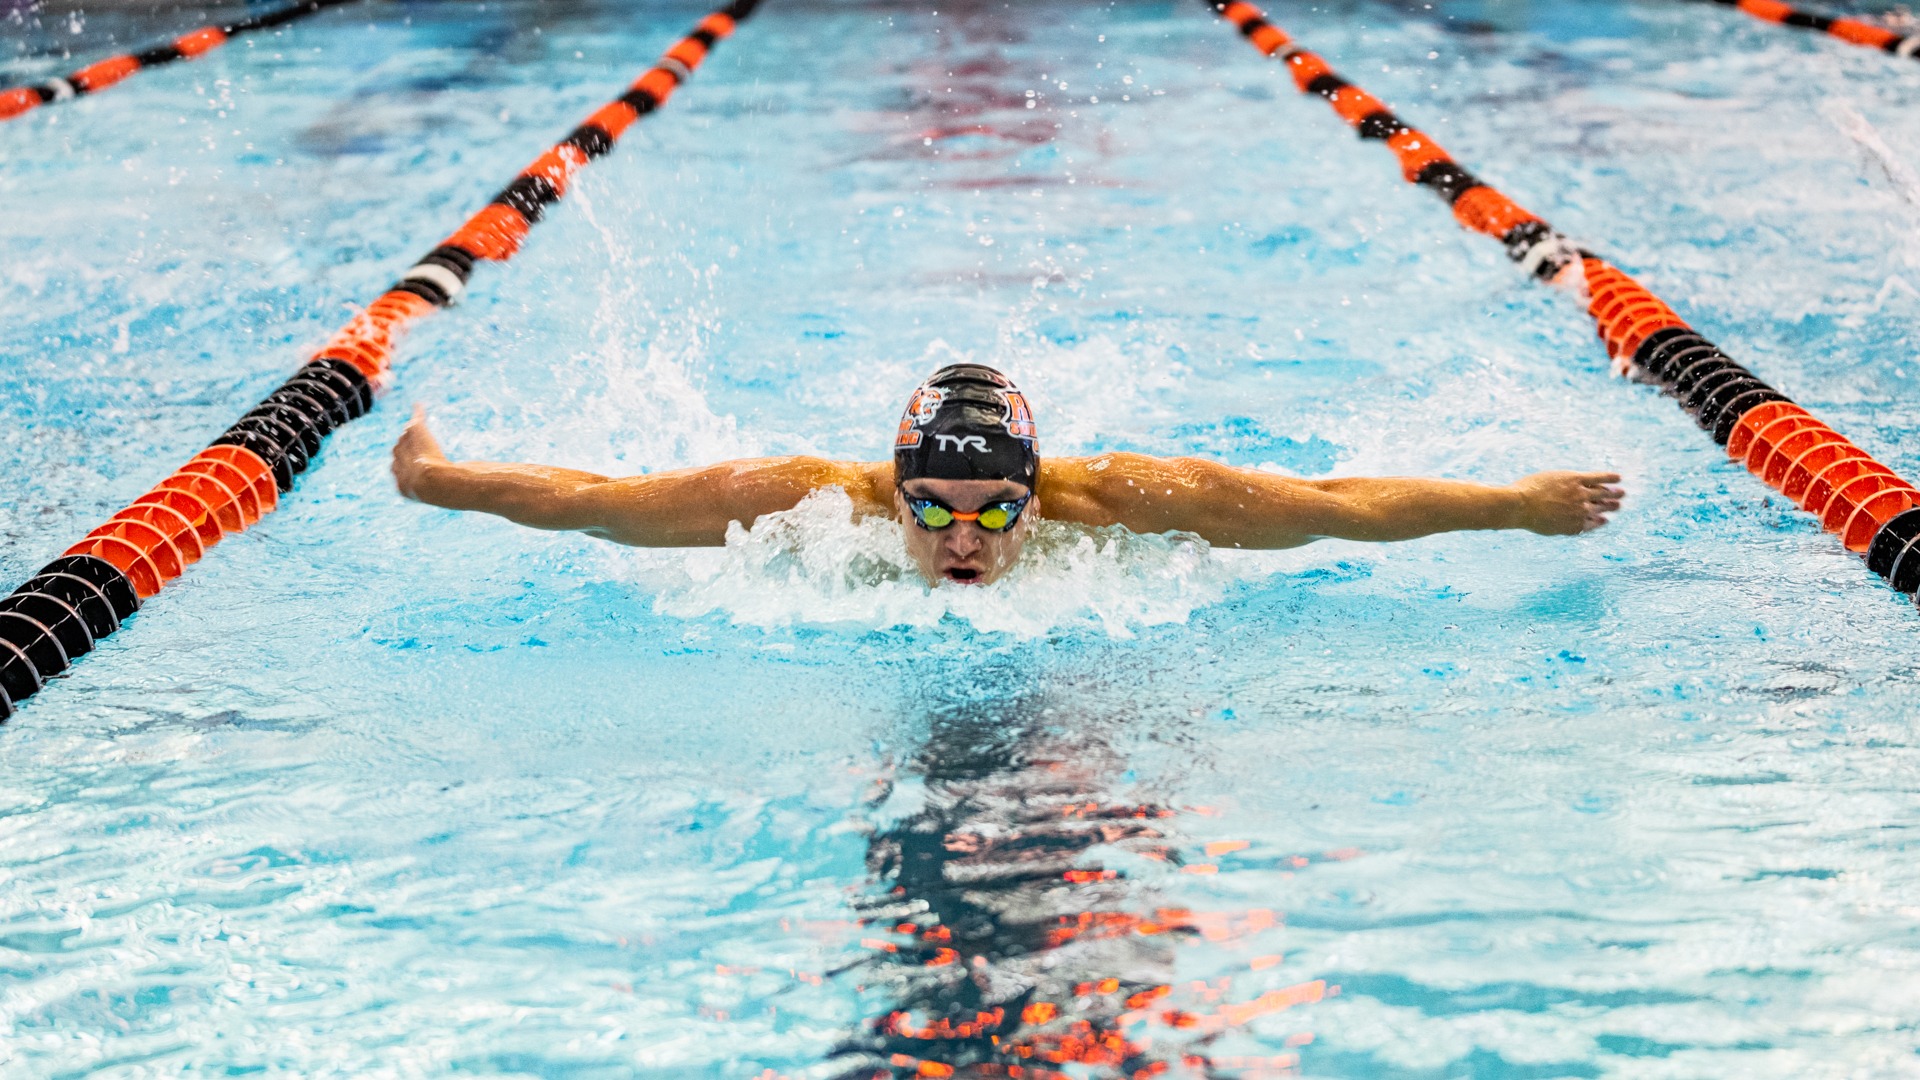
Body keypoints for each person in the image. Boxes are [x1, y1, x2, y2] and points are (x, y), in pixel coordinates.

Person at [390, 363, 1623, 585]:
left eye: (994, 515)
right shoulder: (816, 498)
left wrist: (1513, 505)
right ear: (893, 488)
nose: (962, 543)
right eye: (931, 511)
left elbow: (1327, 512)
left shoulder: (1121, 499)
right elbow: (602, 506)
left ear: (1042, 498)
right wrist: (446, 484)